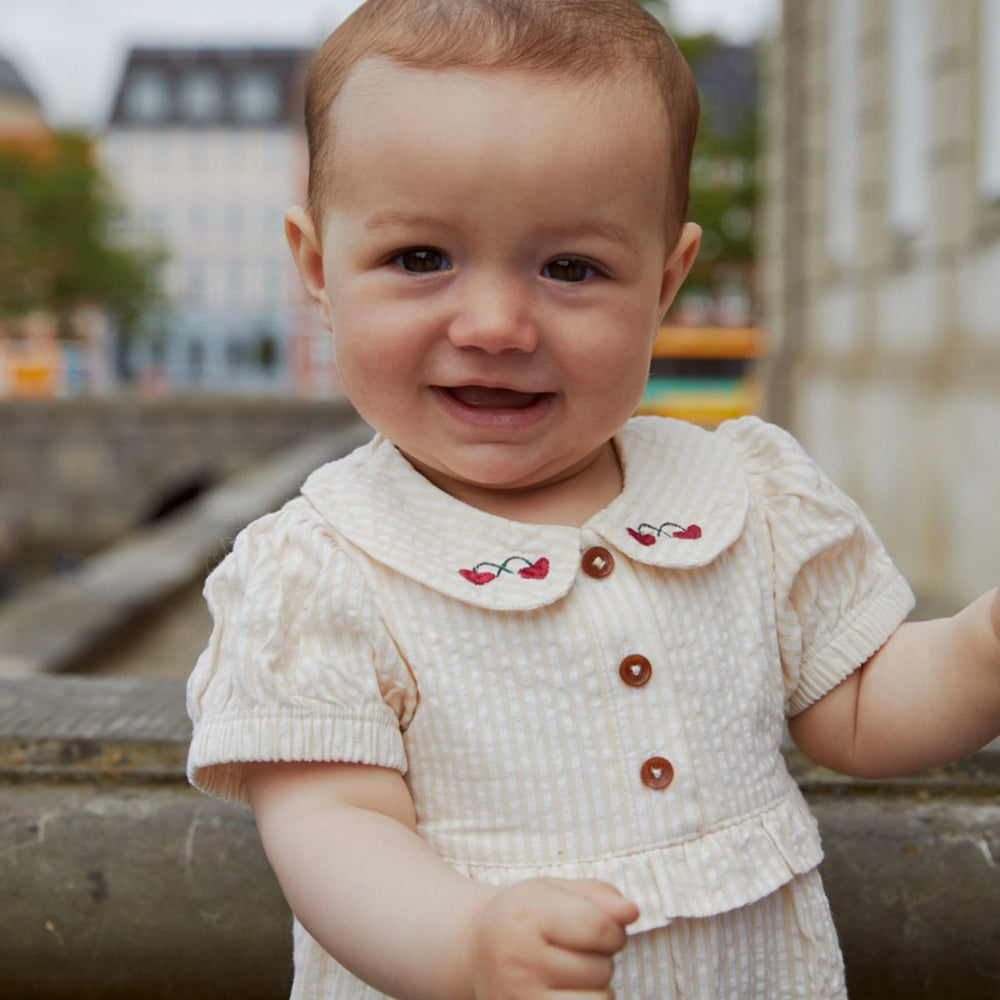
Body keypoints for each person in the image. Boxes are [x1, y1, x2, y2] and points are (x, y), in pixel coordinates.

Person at [185, 1, 1000, 997]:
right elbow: (331, 827)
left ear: (663, 284)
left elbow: (864, 706)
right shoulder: (324, 566)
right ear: (318, 268)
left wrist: (978, 650)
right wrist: (463, 942)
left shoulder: (740, 495)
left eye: (570, 268)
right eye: (420, 258)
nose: (493, 323)